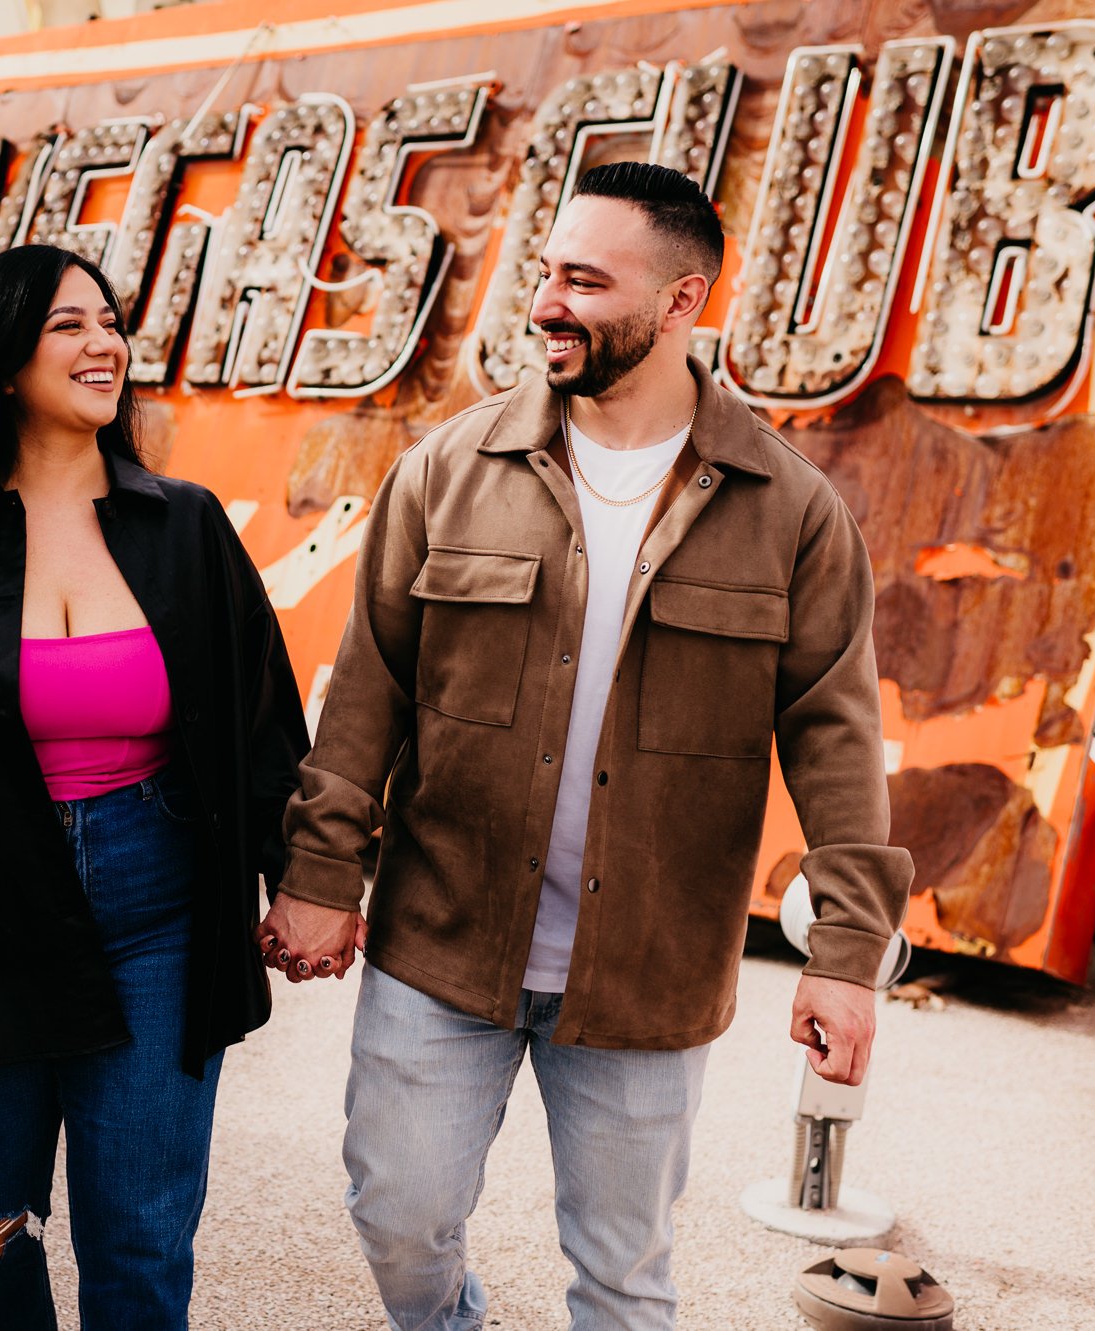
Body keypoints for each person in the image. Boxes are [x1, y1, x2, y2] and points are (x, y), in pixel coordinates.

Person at [262, 162, 913, 1330]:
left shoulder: (788, 509)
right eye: (544, 271)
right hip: (442, 943)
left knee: (623, 1275)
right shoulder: (448, 471)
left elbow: (836, 737)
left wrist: (844, 951)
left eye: (582, 280)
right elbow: (368, 692)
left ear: (678, 304)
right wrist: (318, 873)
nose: (545, 301)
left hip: (645, 974)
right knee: (396, 1213)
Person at [0, 243, 311, 1330]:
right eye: (66, 326)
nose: (104, 344)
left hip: (158, 903)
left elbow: (264, 727)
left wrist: (306, 880)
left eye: (109, 320)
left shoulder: (184, 527)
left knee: (137, 1234)